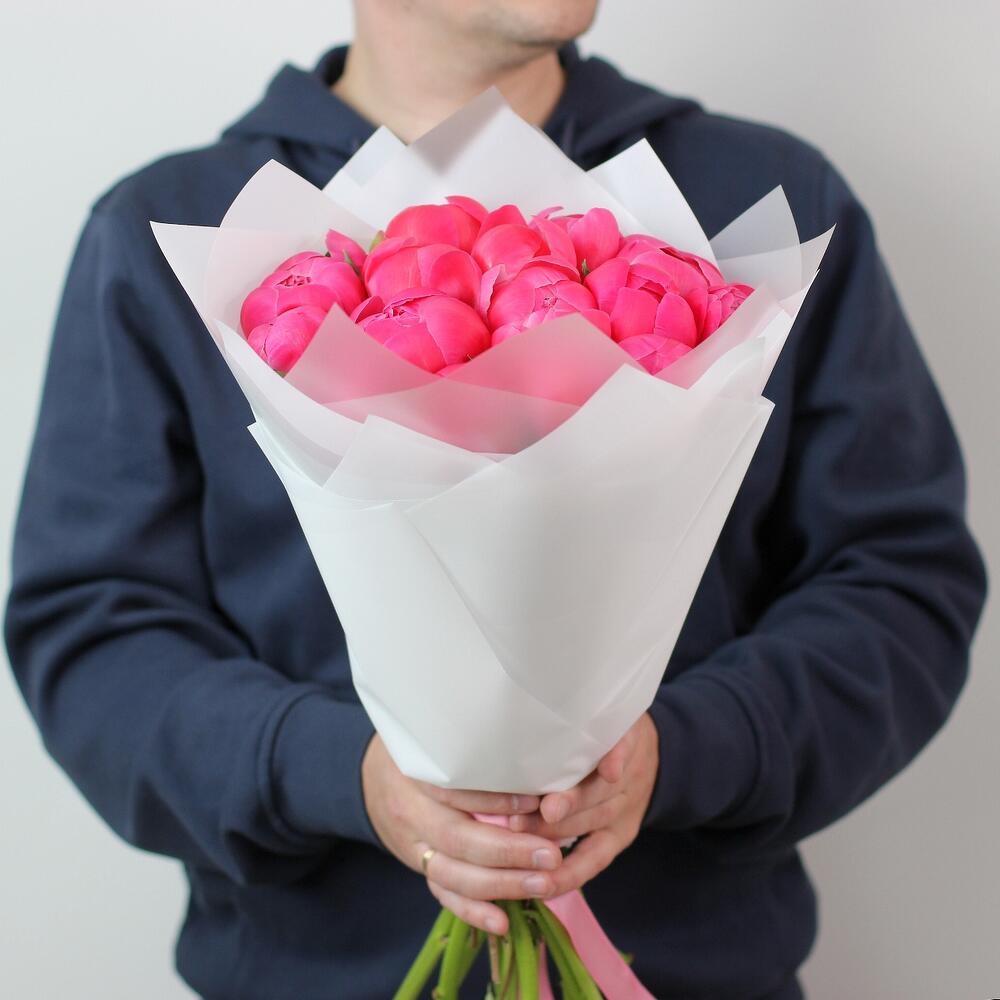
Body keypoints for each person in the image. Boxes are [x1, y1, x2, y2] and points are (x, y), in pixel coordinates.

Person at [4, 2, 987, 998]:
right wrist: (340, 774)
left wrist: (685, 750)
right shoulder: (177, 233)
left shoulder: (757, 202)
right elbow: (93, 632)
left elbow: (901, 580)